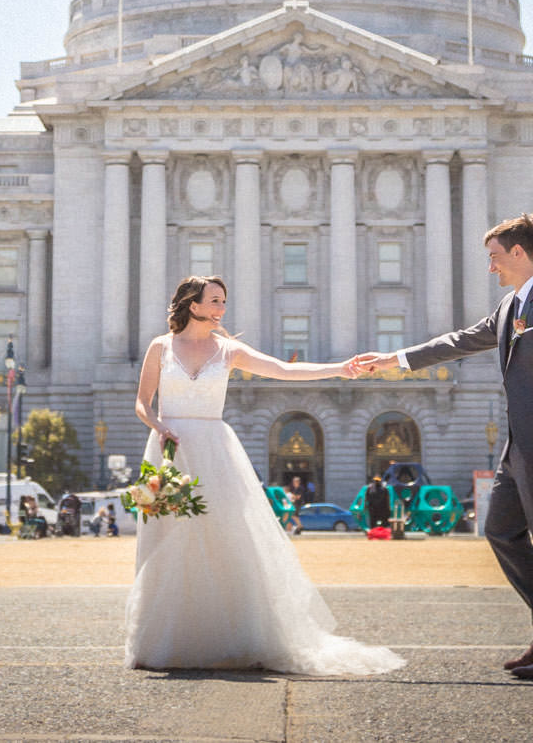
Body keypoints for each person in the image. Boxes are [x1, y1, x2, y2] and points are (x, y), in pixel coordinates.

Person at [354, 212, 533, 680]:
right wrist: (396, 360)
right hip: (518, 446)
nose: (491, 267)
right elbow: (461, 341)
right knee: (501, 531)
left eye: (495, 257)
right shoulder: (511, 308)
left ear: (519, 254)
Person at [125, 275, 402, 675]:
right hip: (169, 448)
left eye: (223, 301)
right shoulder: (160, 346)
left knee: (227, 539)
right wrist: (158, 426)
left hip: (214, 449)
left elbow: (282, 370)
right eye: (215, 301)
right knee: (166, 541)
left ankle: (237, 637)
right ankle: (161, 642)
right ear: (192, 304)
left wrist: (340, 369)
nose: (222, 308)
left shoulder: (229, 349)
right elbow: (141, 402)